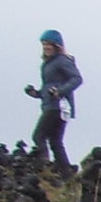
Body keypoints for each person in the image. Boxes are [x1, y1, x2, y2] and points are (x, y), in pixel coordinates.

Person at [24, 29, 81, 173]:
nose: (45, 48)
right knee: (55, 141)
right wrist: (36, 93)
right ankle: (65, 172)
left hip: (59, 106)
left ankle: (45, 166)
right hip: (52, 105)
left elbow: (77, 79)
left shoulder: (62, 60)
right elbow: (49, 87)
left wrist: (60, 91)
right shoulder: (48, 64)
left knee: (39, 136)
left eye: (48, 44)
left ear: (57, 45)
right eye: (43, 45)